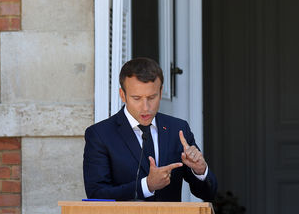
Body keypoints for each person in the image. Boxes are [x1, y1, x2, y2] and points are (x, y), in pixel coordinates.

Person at [83, 57, 217, 202]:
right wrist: (146, 186)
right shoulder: (100, 134)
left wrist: (200, 171)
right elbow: (96, 194)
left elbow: (208, 194)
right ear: (123, 95)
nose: (145, 107)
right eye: (137, 98)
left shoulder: (178, 129)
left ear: (161, 92)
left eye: (152, 97)